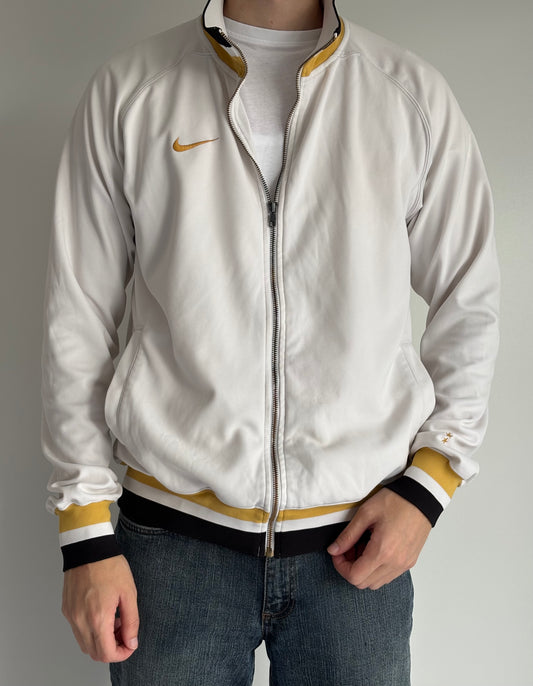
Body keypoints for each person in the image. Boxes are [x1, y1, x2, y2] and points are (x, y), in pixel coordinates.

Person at [40, 0, 500, 683]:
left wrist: (429, 485)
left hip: (357, 544)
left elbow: (470, 299)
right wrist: (84, 533)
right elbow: (77, 315)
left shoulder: (407, 93)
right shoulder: (131, 87)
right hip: (171, 544)